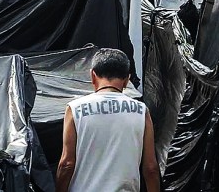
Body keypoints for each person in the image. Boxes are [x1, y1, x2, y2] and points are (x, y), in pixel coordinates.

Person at [56, 48, 160, 192]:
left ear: (93, 75)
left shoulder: (75, 109)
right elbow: (151, 168)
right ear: (126, 80)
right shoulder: (142, 111)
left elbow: (67, 164)